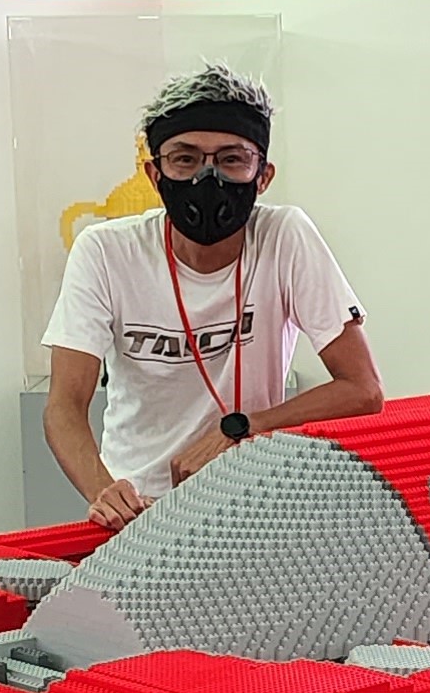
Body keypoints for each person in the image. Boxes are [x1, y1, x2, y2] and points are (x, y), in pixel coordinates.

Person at [41, 63, 384, 527]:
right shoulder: (105, 251)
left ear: (262, 176)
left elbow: (363, 389)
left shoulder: (284, 236)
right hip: (140, 511)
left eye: (231, 159)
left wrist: (244, 428)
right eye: (184, 159)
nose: (207, 178)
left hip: (254, 500)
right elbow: (64, 404)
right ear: (154, 174)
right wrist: (106, 494)